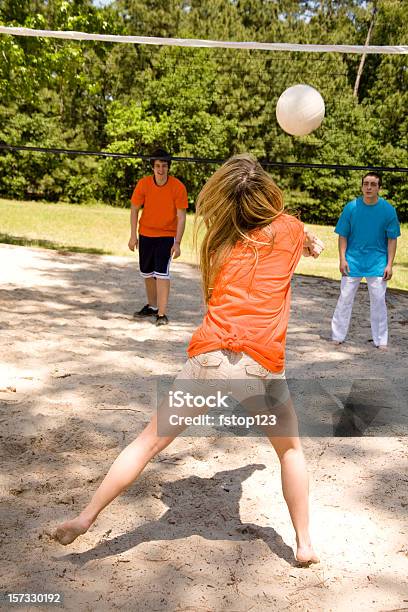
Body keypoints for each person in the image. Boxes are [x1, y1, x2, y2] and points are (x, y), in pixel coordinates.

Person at [54, 154, 324, 565]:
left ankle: (86, 516)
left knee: (147, 443)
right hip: (260, 367)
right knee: (290, 452)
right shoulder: (289, 228)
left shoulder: (219, 240)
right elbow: (297, 239)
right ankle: (303, 545)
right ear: (269, 194)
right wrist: (310, 242)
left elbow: (283, 244)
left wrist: (308, 242)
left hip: (210, 358)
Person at [331, 172, 400, 348]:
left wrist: (389, 264)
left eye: (373, 184)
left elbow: (392, 239)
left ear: (379, 188)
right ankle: (337, 336)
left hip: (377, 263)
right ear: (362, 186)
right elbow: (343, 236)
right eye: (366, 184)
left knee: (378, 302)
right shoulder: (351, 207)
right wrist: (342, 259)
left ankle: (381, 340)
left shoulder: (388, 210)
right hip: (352, 262)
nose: (369, 187)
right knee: (344, 299)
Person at [128, 148, 188, 326]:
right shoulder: (144, 184)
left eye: (164, 166)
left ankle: (161, 314)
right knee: (147, 273)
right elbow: (134, 209)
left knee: (162, 274)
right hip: (145, 234)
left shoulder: (178, 187)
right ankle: (152, 306)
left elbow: (182, 216)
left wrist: (177, 242)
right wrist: (133, 236)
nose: (161, 169)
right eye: (157, 166)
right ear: (152, 168)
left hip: (166, 236)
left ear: (168, 167)